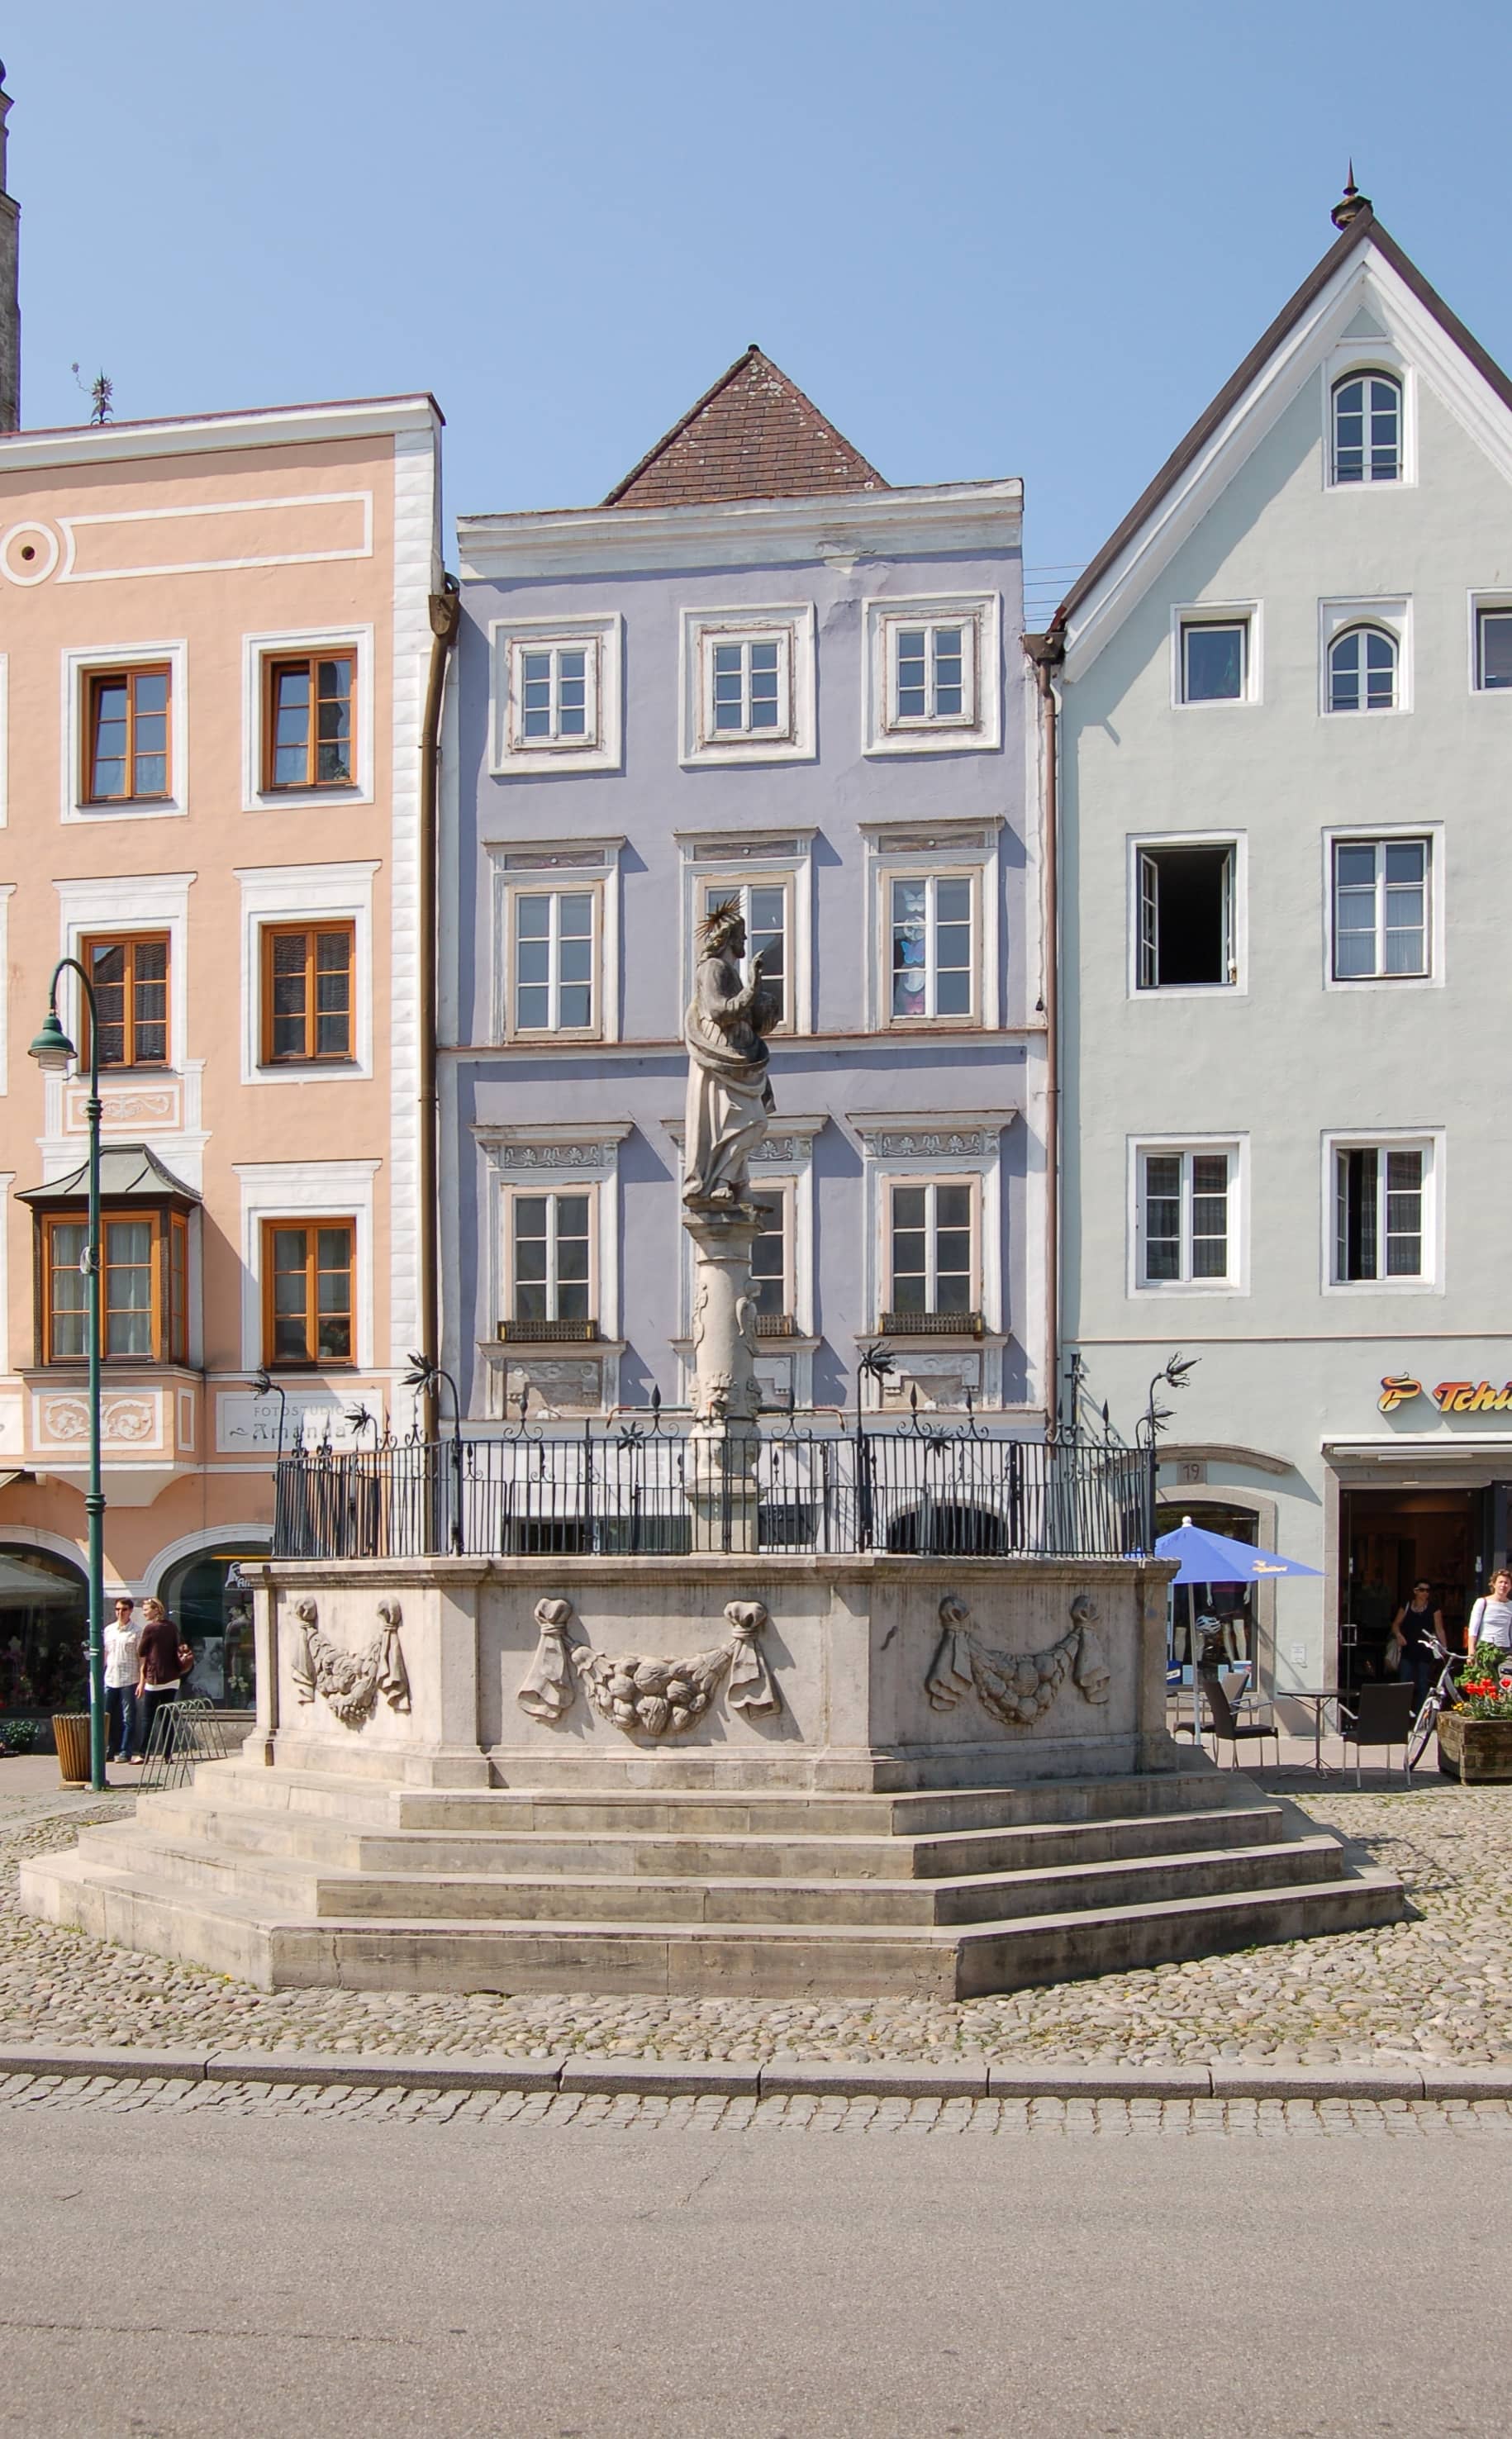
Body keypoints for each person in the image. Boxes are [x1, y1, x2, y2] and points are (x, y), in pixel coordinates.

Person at [135, 1597, 183, 1757]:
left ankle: (144, 1752)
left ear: (156, 1610)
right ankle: (168, 1753)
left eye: (146, 1609)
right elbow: (180, 1645)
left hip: (155, 1678)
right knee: (167, 1718)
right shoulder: (172, 1626)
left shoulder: (151, 1628)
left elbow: (141, 1651)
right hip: (173, 1677)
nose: (144, 1613)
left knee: (148, 1717)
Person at [1389, 1579, 1444, 1712]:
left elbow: (1439, 1629)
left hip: (1425, 1651)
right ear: (1415, 1591)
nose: (1425, 1593)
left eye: (1427, 1590)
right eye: (1422, 1590)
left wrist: (1444, 1649)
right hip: (1407, 1650)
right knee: (1404, 1683)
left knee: (1423, 1684)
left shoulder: (1434, 1609)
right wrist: (1399, 1635)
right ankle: (1401, 1713)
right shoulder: (1407, 1606)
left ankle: (1421, 1715)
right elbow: (1396, 1624)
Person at [102, 1595, 140, 1766]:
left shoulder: (137, 1631)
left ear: (130, 1611)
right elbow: (105, 1654)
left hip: (129, 1678)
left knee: (128, 1717)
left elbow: (142, 1658)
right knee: (106, 1716)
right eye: (117, 1609)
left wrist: (141, 1681)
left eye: (124, 1610)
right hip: (110, 1677)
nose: (120, 1613)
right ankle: (109, 1749)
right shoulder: (109, 1630)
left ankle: (126, 1750)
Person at [1466, 1567, 1512, 1667]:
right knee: (1485, 1681)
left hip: (1505, 1650)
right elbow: (1473, 1629)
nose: (1503, 1585)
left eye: (1506, 1583)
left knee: (1507, 1680)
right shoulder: (1482, 1602)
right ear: (1494, 1584)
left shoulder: (1511, 1606)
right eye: (1500, 1582)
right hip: (1485, 1647)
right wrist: (1471, 1652)